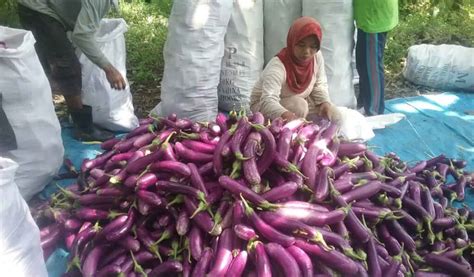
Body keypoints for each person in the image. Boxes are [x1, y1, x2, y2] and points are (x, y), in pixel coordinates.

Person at [17, 0, 126, 141]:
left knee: (53, 59)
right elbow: (81, 36)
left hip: (41, 6)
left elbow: (81, 27)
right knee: (67, 66)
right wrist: (109, 69)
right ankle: (83, 129)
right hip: (37, 9)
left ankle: (39, 116)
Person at [250, 16, 341, 123]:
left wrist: (324, 102)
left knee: (335, 116)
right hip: (265, 105)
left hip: (301, 99)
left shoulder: (316, 57)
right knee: (299, 107)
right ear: (292, 42)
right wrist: (286, 115)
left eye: (312, 47)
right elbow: (268, 101)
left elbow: (319, 85)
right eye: (301, 45)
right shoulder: (278, 67)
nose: (307, 51)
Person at [354, 0, 399, 116]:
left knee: (371, 65)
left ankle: (374, 110)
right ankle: (364, 103)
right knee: (363, 63)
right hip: (367, 15)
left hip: (374, 15)